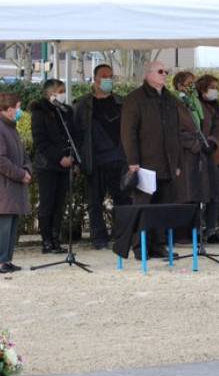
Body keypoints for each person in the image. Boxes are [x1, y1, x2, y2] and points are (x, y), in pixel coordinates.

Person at [121, 61, 182, 259]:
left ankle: (158, 244)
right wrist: (133, 161)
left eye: (166, 71)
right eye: (160, 71)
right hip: (145, 164)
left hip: (167, 163)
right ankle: (140, 247)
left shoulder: (170, 99)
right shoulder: (135, 99)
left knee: (162, 207)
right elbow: (128, 132)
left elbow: (176, 133)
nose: (165, 74)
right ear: (148, 74)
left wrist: (178, 162)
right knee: (143, 206)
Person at [74, 64, 131, 250]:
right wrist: (78, 161)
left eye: (110, 76)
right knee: (94, 202)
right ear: (95, 78)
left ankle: (123, 236)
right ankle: (99, 239)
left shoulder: (122, 102)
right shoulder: (82, 104)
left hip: (120, 159)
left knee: (123, 200)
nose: (108, 79)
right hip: (95, 160)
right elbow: (76, 134)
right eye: (104, 76)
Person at [31, 79, 76, 254]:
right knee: (48, 203)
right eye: (61, 90)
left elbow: (74, 136)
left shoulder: (65, 112)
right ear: (51, 94)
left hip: (65, 165)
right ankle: (47, 241)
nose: (64, 93)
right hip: (47, 166)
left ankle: (56, 238)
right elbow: (41, 142)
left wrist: (71, 157)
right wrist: (60, 157)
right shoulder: (39, 112)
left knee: (60, 204)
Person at [173, 71, 219, 210]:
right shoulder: (175, 104)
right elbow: (176, 131)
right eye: (189, 84)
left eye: (193, 83)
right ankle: (188, 231)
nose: (192, 87)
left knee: (205, 196)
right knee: (187, 196)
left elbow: (212, 125)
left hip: (204, 156)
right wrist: (196, 144)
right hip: (185, 156)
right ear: (179, 86)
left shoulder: (197, 103)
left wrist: (211, 141)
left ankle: (201, 229)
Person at [0, 92, 32, 273]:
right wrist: (20, 174)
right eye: (18, 107)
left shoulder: (12, 127)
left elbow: (24, 154)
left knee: (12, 225)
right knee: (3, 226)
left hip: (15, 185)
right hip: (5, 187)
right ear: (10, 109)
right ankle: (1, 260)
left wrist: (27, 170)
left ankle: (7, 259)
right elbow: (1, 160)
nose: (20, 111)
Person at [195, 75, 219, 243]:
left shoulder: (215, 108)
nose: (215, 91)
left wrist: (212, 142)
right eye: (212, 87)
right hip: (196, 154)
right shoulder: (194, 106)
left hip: (211, 154)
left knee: (213, 194)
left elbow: (216, 130)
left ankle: (211, 229)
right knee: (199, 194)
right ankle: (198, 228)